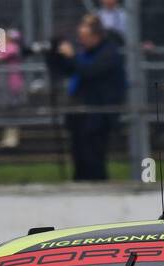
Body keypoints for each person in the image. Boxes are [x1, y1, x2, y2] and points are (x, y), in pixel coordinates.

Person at [55, 15, 126, 181]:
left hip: (98, 114)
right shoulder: (85, 53)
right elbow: (71, 70)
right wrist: (60, 57)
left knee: (94, 156)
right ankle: (80, 182)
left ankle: (97, 185)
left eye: (85, 37)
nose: (81, 41)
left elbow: (90, 71)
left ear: (96, 35)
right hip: (80, 113)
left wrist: (71, 57)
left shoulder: (109, 52)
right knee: (79, 154)